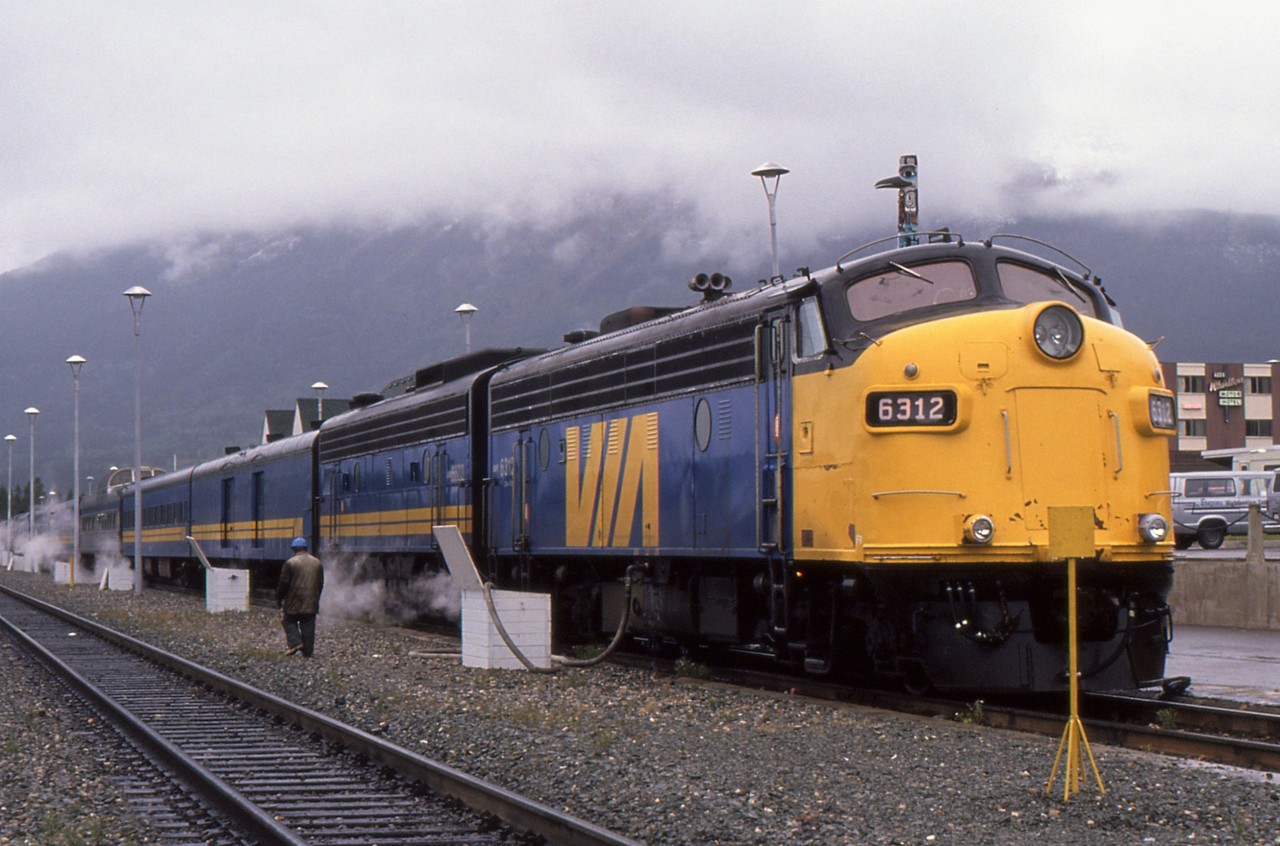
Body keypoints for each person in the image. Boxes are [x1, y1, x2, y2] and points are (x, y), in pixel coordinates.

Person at [276, 537, 324, 657]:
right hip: (311, 601)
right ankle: (308, 651)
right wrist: (316, 598)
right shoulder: (317, 562)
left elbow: (284, 584)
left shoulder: (290, 563)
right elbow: (320, 583)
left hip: (294, 601)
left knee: (288, 620)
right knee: (308, 624)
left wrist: (279, 598)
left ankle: (295, 643)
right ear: (306, 549)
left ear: (294, 549)